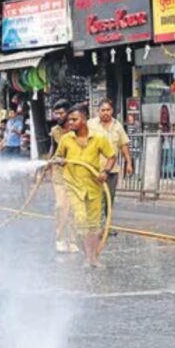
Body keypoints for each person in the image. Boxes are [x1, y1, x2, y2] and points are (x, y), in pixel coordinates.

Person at [52, 104, 115, 268]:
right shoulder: (66, 139)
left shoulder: (99, 139)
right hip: (73, 186)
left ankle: (93, 257)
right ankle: (88, 257)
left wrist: (105, 172)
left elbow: (111, 157)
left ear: (85, 119)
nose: (71, 122)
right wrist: (59, 160)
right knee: (81, 220)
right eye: (69, 120)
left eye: (75, 119)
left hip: (93, 186)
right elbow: (58, 156)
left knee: (94, 224)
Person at [88, 99, 133, 235]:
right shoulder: (90, 124)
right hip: (93, 170)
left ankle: (106, 226)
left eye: (108, 110)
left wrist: (129, 163)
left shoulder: (117, 126)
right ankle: (94, 226)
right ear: (98, 111)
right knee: (96, 199)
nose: (106, 113)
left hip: (111, 171)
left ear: (112, 111)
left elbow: (123, 145)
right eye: (103, 110)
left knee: (108, 199)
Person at [48, 99, 78, 254]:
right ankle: (60, 239)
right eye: (56, 113)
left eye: (61, 113)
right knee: (61, 206)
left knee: (73, 208)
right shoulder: (55, 131)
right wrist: (48, 164)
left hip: (75, 175)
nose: (58, 116)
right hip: (59, 174)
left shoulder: (76, 130)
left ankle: (72, 240)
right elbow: (52, 148)